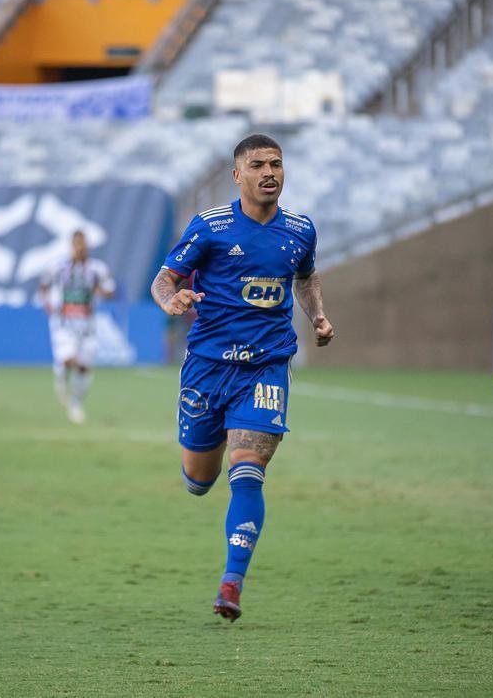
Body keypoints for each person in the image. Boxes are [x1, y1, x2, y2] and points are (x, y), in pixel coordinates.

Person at [150, 133, 335, 621]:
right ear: (238, 175)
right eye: (258, 165)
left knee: (248, 468)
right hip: (208, 367)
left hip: (266, 366)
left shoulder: (299, 230)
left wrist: (316, 315)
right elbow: (164, 277)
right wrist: (172, 300)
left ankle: (231, 583)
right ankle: (198, 469)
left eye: (276, 163)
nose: (270, 172)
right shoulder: (210, 227)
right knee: (199, 479)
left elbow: (306, 276)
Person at [38, 230, 116, 424]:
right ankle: (62, 374)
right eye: (76, 244)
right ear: (71, 246)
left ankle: (76, 403)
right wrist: (46, 304)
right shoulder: (58, 267)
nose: (80, 248)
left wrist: (100, 291)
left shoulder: (97, 268)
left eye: (83, 244)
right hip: (63, 322)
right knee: (70, 358)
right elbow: (43, 286)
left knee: (84, 367)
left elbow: (110, 291)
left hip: (87, 325)